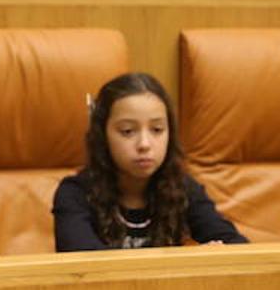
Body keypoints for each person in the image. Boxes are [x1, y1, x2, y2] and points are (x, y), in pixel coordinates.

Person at [52, 72, 247, 251]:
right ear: (102, 136)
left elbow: (238, 247)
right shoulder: (74, 194)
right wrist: (187, 260)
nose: (144, 144)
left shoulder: (183, 188)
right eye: (128, 131)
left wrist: (219, 253)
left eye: (157, 130)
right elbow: (84, 264)